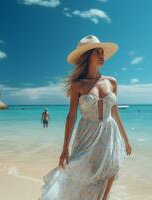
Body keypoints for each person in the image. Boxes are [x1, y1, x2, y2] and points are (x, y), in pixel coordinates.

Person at [39, 35, 132, 200]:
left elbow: (115, 111)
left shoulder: (112, 82)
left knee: (111, 168)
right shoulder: (78, 84)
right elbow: (71, 116)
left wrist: (126, 139)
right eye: (98, 52)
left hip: (109, 131)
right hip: (87, 134)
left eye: (103, 52)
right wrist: (64, 148)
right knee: (83, 172)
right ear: (88, 56)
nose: (102, 55)